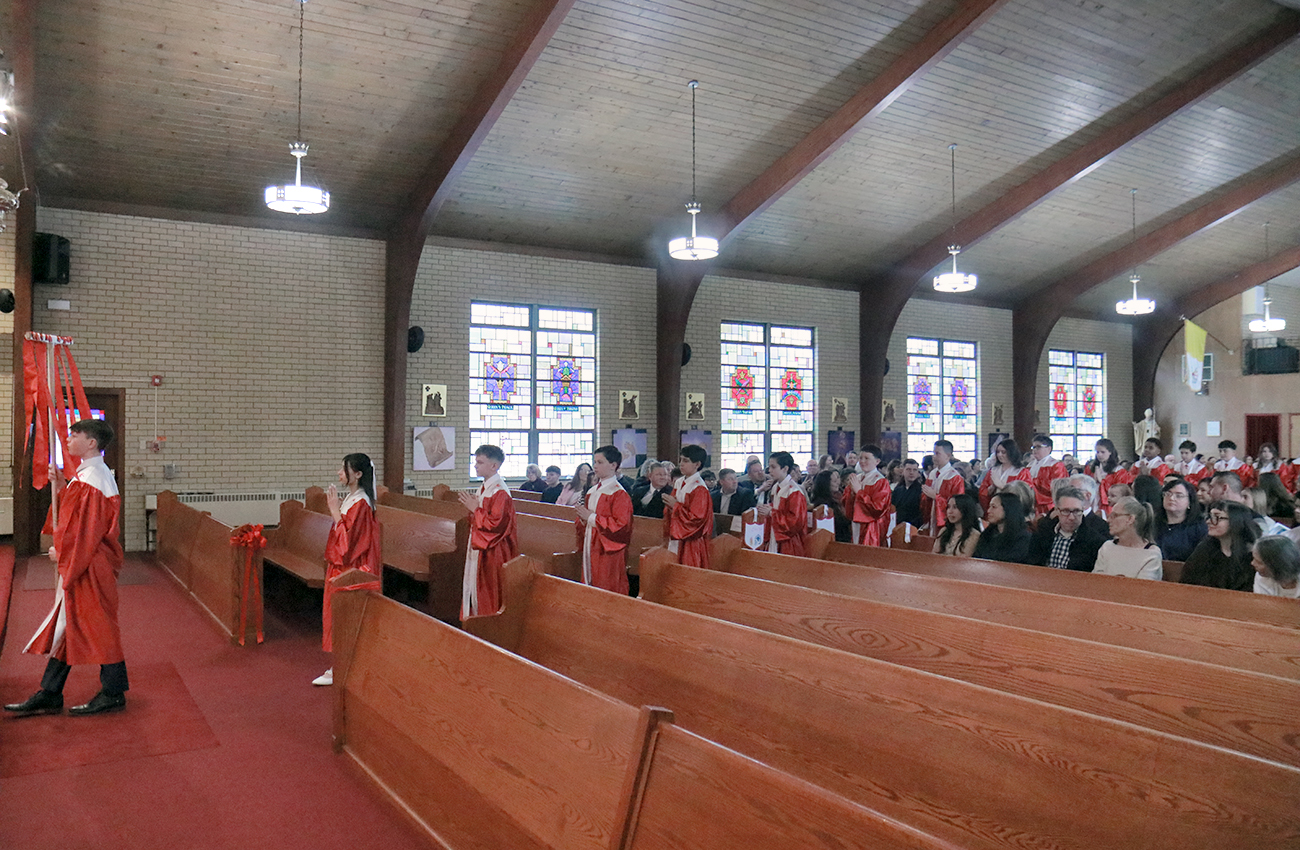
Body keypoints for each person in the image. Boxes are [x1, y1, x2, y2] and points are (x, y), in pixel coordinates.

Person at [6, 419, 129, 717]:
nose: (69, 439)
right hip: (88, 561)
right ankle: (50, 692)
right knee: (68, 623)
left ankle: (113, 693)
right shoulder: (89, 475)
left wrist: (62, 553)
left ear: (92, 443)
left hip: (90, 564)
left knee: (98, 626)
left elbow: (86, 531)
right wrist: (62, 486)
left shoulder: (91, 480)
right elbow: (79, 516)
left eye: (75, 435)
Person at [313, 452, 383, 686]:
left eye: (344, 469)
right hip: (342, 565)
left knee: (344, 615)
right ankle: (342, 663)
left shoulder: (361, 502)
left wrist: (334, 510)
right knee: (337, 615)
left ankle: (342, 667)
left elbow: (348, 544)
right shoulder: (353, 498)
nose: (339, 473)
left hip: (350, 568)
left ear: (358, 474)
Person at [458, 445, 519, 618]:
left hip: (493, 550)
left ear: (494, 466)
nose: (475, 465)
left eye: (480, 462)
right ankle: (474, 618)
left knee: (489, 588)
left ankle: (487, 620)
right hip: (481, 545)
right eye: (475, 462)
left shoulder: (500, 492)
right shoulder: (484, 488)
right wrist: (473, 510)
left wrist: (475, 509)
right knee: (476, 584)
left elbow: (496, 526)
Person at [574, 445, 633, 594]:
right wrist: (583, 519)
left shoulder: (618, 493)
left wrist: (591, 517)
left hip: (607, 550)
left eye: (600, 462)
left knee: (605, 585)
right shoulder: (592, 491)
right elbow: (586, 519)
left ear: (613, 465)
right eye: (595, 462)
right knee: (589, 583)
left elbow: (622, 526)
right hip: (591, 545)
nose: (595, 466)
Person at [1026, 485, 1107, 572]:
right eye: (1066, 511)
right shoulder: (1042, 534)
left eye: (1076, 511)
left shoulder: (1095, 541)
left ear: (1083, 510)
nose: (1071, 517)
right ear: (1057, 510)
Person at [1181, 501, 1258, 591]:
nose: (1209, 522)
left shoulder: (1252, 555)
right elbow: (1187, 581)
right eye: (1210, 517)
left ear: (1235, 521)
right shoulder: (1205, 549)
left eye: (1217, 517)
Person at [664, 444, 712, 569]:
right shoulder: (679, 482)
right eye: (680, 460)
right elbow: (672, 506)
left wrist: (675, 506)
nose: (681, 464)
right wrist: (669, 506)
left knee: (688, 571)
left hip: (691, 541)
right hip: (677, 537)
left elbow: (696, 519)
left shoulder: (699, 488)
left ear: (697, 464)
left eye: (686, 461)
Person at [1093, 496, 1162, 580]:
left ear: (1130, 519)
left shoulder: (1151, 554)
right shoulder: (1107, 547)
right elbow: (1097, 580)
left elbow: (1143, 586)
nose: (1109, 520)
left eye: (1115, 515)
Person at [758, 451, 808, 555]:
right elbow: (778, 507)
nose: (769, 470)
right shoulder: (776, 487)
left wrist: (771, 513)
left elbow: (795, 522)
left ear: (785, 468)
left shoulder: (794, 491)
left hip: (788, 541)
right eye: (769, 467)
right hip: (774, 535)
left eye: (773, 467)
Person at [844, 444, 892, 546]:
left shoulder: (880, 481)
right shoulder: (858, 478)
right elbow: (847, 505)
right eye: (860, 458)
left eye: (866, 458)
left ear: (877, 461)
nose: (862, 461)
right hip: (856, 524)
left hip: (871, 526)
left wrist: (859, 492)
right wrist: (851, 492)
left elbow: (878, 508)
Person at [1155, 477, 1207, 562]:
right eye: (1168, 494)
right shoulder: (1152, 523)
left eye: (1179, 496)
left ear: (1189, 502)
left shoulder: (1199, 527)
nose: (1171, 498)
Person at [972, 491, 1033, 564]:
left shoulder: (1022, 538)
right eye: (989, 507)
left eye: (994, 507)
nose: (988, 511)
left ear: (1007, 509)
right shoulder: (987, 535)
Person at [920, 440, 965, 532]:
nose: (934, 457)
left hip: (946, 523)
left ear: (948, 455)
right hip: (931, 520)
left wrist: (936, 497)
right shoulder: (932, 474)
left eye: (937, 453)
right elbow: (925, 500)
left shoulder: (954, 477)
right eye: (934, 453)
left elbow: (958, 504)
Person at [978, 438, 1031, 512]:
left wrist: (1002, 486)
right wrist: (990, 490)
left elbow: (1024, 494)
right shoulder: (992, 471)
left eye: (1003, 452)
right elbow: (982, 492)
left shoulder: (1022, 472)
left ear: (1011, 452)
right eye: (998, 452)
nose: (1000, 455)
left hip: (1012, 510)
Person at [1086, 438, 1131, 513]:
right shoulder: (1091, 468)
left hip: (1108, 505)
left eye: (1103, 452)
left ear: (1110, 452)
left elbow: (1120, 492)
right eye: (1097, 452)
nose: (1099, 455)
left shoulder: (1119, 471)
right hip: (1092, 501)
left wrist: (1102, 481)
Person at [1026, 435, 1067, 517]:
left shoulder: (1056, 465)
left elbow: (1057, 487)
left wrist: (1032, 482)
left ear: (1049, 449)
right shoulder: (1030, 465)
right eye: (1033, 447)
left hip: (1048, 505)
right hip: (1032, 504)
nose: (1034, 450)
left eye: (1038, 447)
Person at [811, 469, 852, 542]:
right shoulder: (821, 503)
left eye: (837, 479)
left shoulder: (840, 496)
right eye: (834, 481)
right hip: (834, 539)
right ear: (825, 483)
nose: (837, 483)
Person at [891, 459, 924, 527]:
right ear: (902, 471)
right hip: (897, 526)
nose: (911, 472)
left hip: (914, 527)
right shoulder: (897, 490)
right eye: (908, 469)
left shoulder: (922, 490)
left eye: (914, 470)